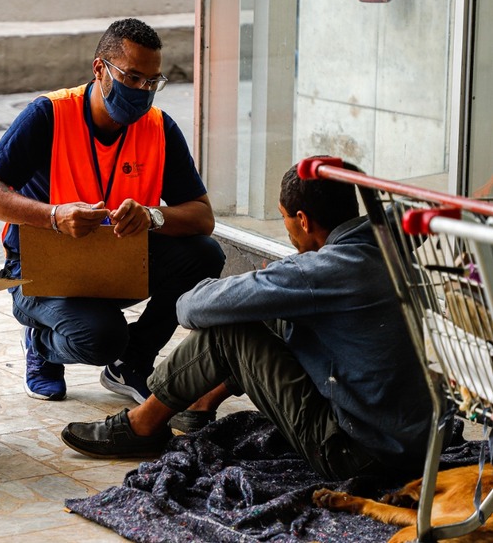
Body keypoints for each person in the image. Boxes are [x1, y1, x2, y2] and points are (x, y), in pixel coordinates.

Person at [60, 162, 434, 481]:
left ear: (302, 220)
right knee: (273, 314)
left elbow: (190, 308)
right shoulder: (385, 243)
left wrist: (267, 284)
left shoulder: (319, 271)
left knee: (233, 329)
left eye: (284, 217)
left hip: (356, 455)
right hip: (415, 444)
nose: (287, 228)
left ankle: (142, 424)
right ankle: (201, 404)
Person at [0, 18, 226, 403]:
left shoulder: (158, 128)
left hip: (118, 261)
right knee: (101, 339)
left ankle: (132, 363)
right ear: (100, 68)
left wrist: (153, 216)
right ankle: (42, 344)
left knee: (206, 254)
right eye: (132, 77)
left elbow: (203, 219)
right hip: (43, 268)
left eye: (152, 81)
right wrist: (54, 216)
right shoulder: (49, 115)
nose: (142, 90)